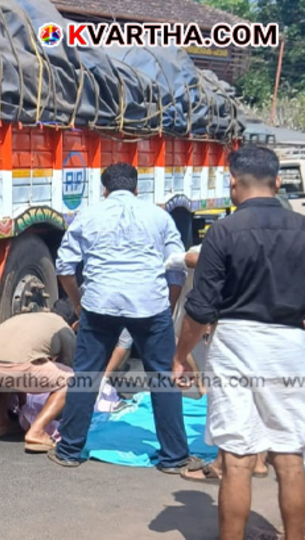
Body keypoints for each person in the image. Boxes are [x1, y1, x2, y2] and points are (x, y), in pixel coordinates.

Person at [173, 145, 305, 540]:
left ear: (233, 184)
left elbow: (200, 308)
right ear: (278, 182)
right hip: (289, 343)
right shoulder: (302, 229)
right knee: (290, 457)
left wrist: (181, 355)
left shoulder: (223, 232)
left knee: (236, 459)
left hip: (236, 343)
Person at [49, 162, 201, 474]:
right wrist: (167, 307)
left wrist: (78, 303)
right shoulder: (159, 216)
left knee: (86, 375)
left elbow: (64, 266)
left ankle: (69, 450)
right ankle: (174, 457)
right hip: (149, 304)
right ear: (136, 188)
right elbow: (176, 268)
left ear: (104, 189)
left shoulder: (88, 215)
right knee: (162, 378)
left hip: (99, 304)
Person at [0, 299, 76, 453]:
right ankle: (37, 432)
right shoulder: (65, 329)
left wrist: (23, 403)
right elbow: (68, 367)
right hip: (13, 366)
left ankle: (0, 422)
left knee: (14, 363)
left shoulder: (31, 315)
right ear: (75, 324)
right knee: (71, 380)